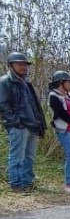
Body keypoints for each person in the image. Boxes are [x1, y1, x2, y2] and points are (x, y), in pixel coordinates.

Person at [0, 52, 47, 192]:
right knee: (17, 157)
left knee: (29, 156)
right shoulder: (4, 82)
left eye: (25, 64)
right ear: (10, 65)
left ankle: (27, 183)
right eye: (19, 64)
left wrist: (40, 124)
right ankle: (16, 185)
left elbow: (34, 106)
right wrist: (15, 122)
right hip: (19, 125)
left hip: (32, 125)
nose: (23, 67)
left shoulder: (26, 84)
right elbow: (3, 104)